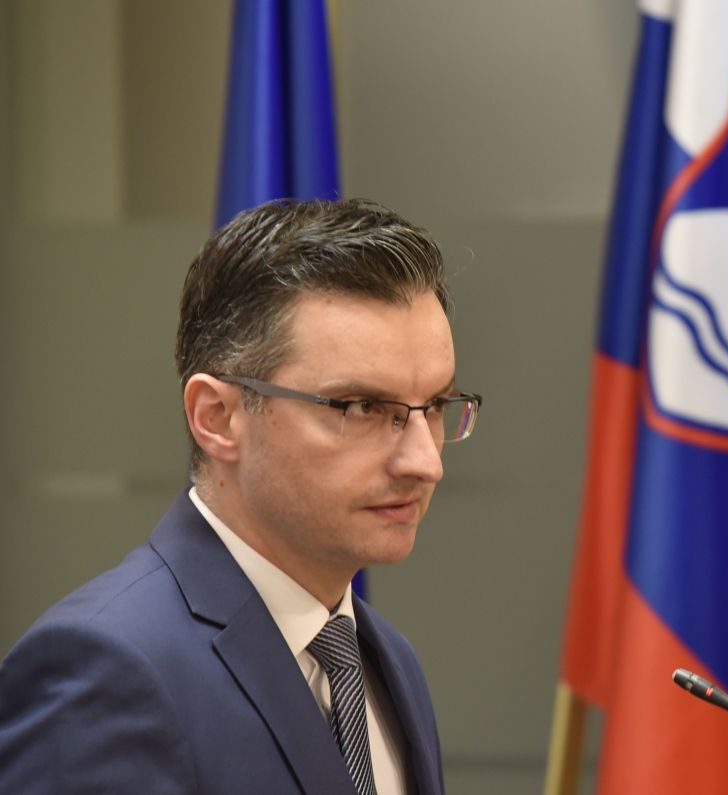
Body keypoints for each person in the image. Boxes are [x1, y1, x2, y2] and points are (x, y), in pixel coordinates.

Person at [0, 198, 481, 795]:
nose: (425, 462)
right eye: (361, 407)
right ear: (217, 417)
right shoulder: (106, 672)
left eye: (434, 406)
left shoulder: (389, 662)